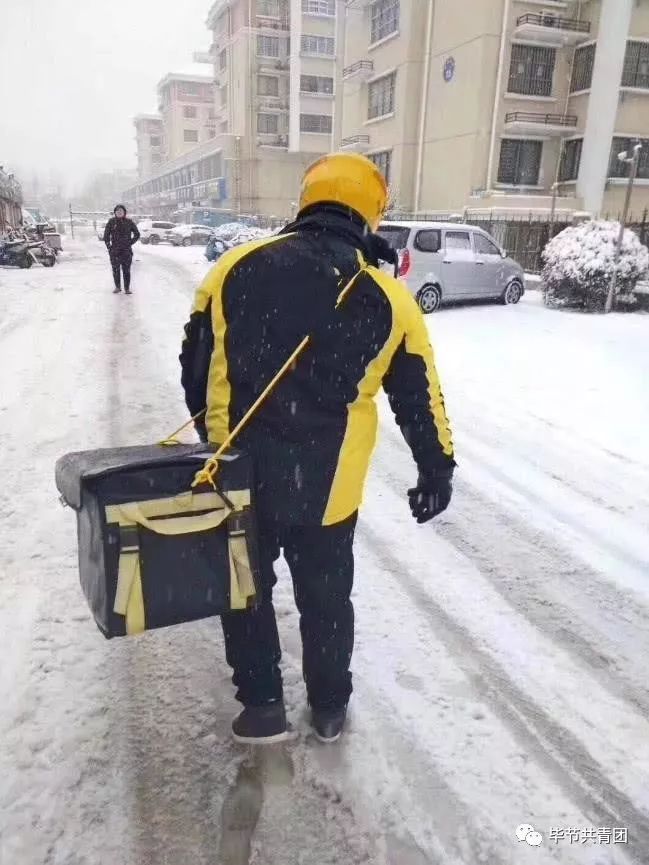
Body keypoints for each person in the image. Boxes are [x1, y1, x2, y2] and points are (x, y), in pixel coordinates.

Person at [180, 153, 455, 745]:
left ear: (308, 201)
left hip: (238, 476)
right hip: (329, 489)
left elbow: (195, 369)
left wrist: (215, 433)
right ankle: (329, 706)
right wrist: (436, 470)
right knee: (327, 597)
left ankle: (262, 704)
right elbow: (419, 395)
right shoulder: (387, 297)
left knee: (245, 589)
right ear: (369, 214)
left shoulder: (233, 269)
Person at [103, 204, 139, 294]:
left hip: (126, 251)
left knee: (126, 270)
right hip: (114, 251)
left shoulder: (129, 222)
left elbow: (137, 234)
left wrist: (130, 242)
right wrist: (109, 246)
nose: (119, 212)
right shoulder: (111, 222)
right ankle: (117, 287)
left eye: (121, 211)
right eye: (117, 211)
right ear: (115, 212)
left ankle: (127, 288)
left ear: (124, 212)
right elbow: (106, 235)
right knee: (116, 270)